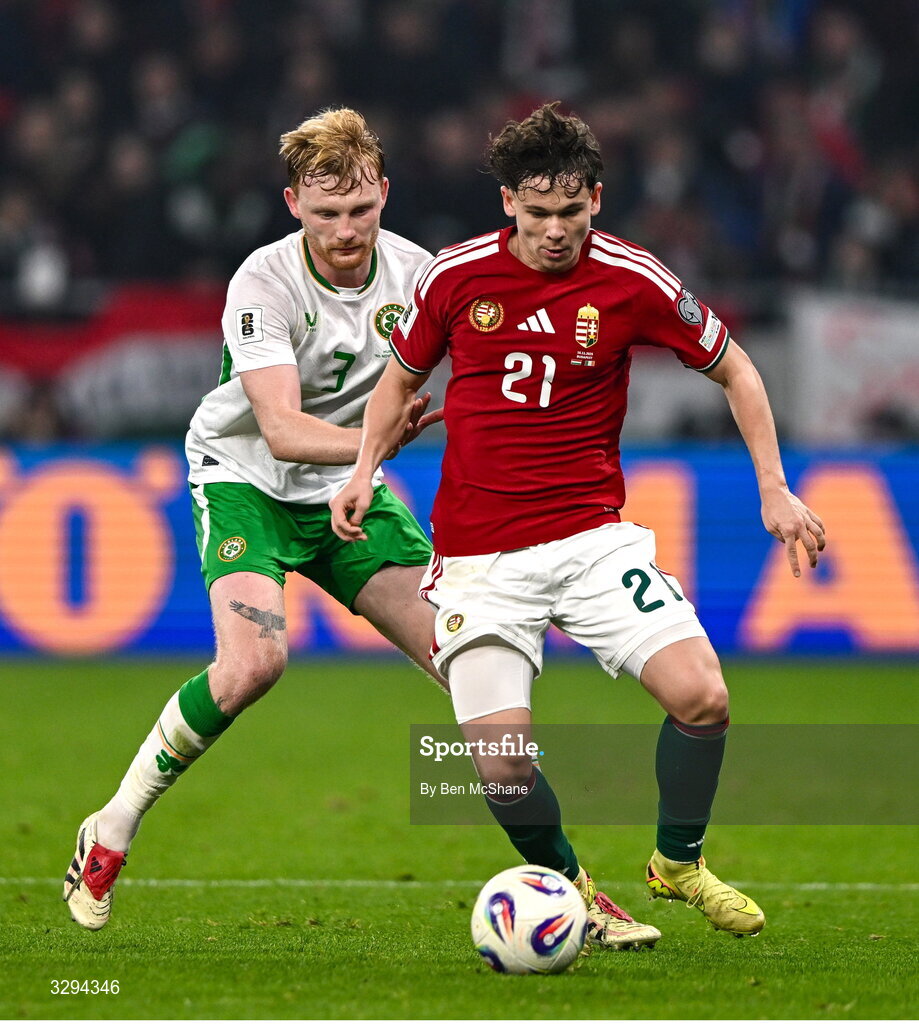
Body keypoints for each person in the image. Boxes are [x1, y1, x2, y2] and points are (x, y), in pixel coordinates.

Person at [331, 102, 826, 940]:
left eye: (570, 211)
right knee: (500, 766)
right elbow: (395, 382)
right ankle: (572, 893)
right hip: (480, 558)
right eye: (537, 213)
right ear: (507, 205)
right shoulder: (452, 277)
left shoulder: (634, 278)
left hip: (592, 541)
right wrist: (361, 469)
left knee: (703, 697)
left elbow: (736, 370)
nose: (555, 231)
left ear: (595, 198)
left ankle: (677, 866)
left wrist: (773, 490)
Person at [63, 107, 444, 930]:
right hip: (247, 479)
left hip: (349, 485)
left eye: (360, 209)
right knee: (251, 667)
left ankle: (573, 888)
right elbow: (280, 430)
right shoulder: (262, 281)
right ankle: (113, 826)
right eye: (324, 213)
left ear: (384, 191)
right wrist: (375, 446)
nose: (345, 230)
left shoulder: (420, 277)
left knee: (472, 662)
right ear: (291, 204)